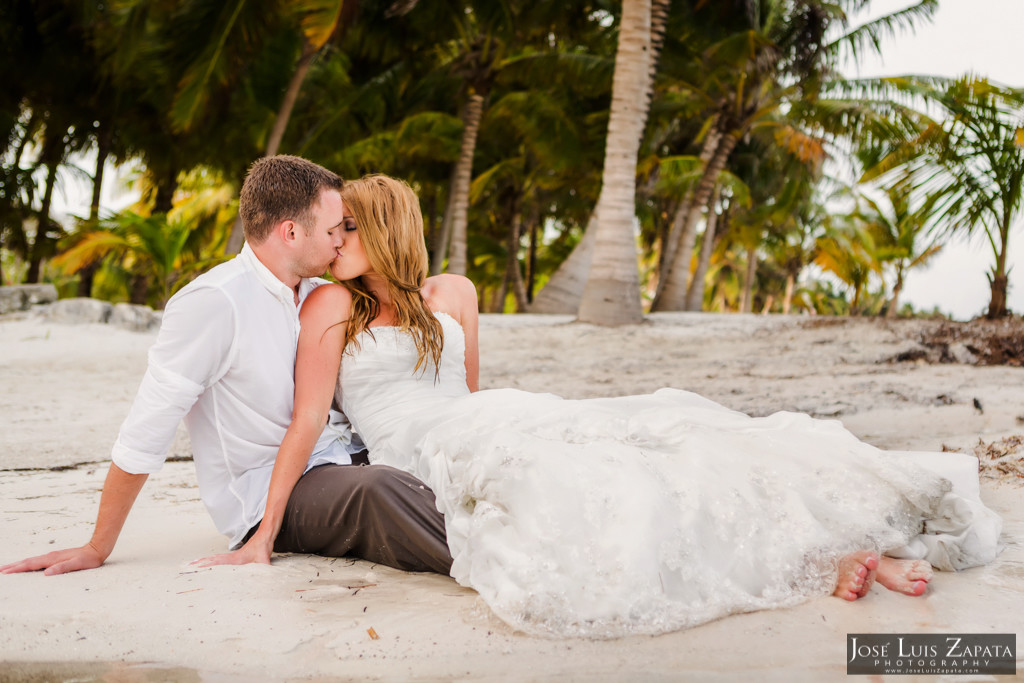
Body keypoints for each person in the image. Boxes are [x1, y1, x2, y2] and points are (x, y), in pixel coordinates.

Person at [210, 174, 1003, 637]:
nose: (333, 236)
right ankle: (826, 562)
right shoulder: (328, 309)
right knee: (601, 495)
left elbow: (475, 394)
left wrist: (509, 432)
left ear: (382, 230)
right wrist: (262, 535)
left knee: (665, 435)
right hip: (418, 449)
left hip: (486, 422)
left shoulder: (453, 292)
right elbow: (309, 419)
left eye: (347, 225)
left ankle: (844, 540)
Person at [1, 157, 452, 578]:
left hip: (352, 457)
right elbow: (146, 430)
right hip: (275, 497)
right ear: (291, 232)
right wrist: (98, 546)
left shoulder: (323, 294)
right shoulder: (214, 304)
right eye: (336, 229)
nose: (341, 240)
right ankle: (490, 560)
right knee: (379, 491)